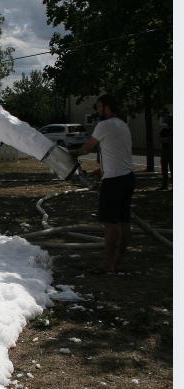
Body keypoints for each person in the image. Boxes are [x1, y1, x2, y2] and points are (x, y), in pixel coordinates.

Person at [70, 95, 135, 273]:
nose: (98, 111)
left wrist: (71, 154)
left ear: (107, 107)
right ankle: (118, 261)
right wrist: (102, 170)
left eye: (99, 107)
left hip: (114, 181)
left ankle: (108, 265)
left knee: (110, 223)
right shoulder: (123, 124)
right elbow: (117, 152)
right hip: (127, 177)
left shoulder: (104, 125)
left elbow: (87, 148)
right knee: (124, 221)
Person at [158, 115, 172, 190]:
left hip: (169, 151)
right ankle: (164, 185)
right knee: (164, 169)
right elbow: (161, 140)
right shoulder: (164, 131)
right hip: (165, 151)